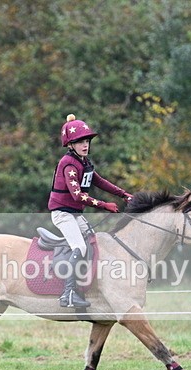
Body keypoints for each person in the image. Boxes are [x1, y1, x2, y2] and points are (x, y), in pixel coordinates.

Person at [48, 113, 133, 308]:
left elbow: (100, 181)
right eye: (79, 142)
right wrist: (105, 205)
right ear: (70, 145)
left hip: (75, 214)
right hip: (62, 214)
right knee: (80, 247)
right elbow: (78, 196)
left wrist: (123, 194)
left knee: (94, 245)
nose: (85, 145)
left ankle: (90, 287)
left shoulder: (83, 162)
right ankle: (68, 294)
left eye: (86, 141)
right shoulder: (68, 164)